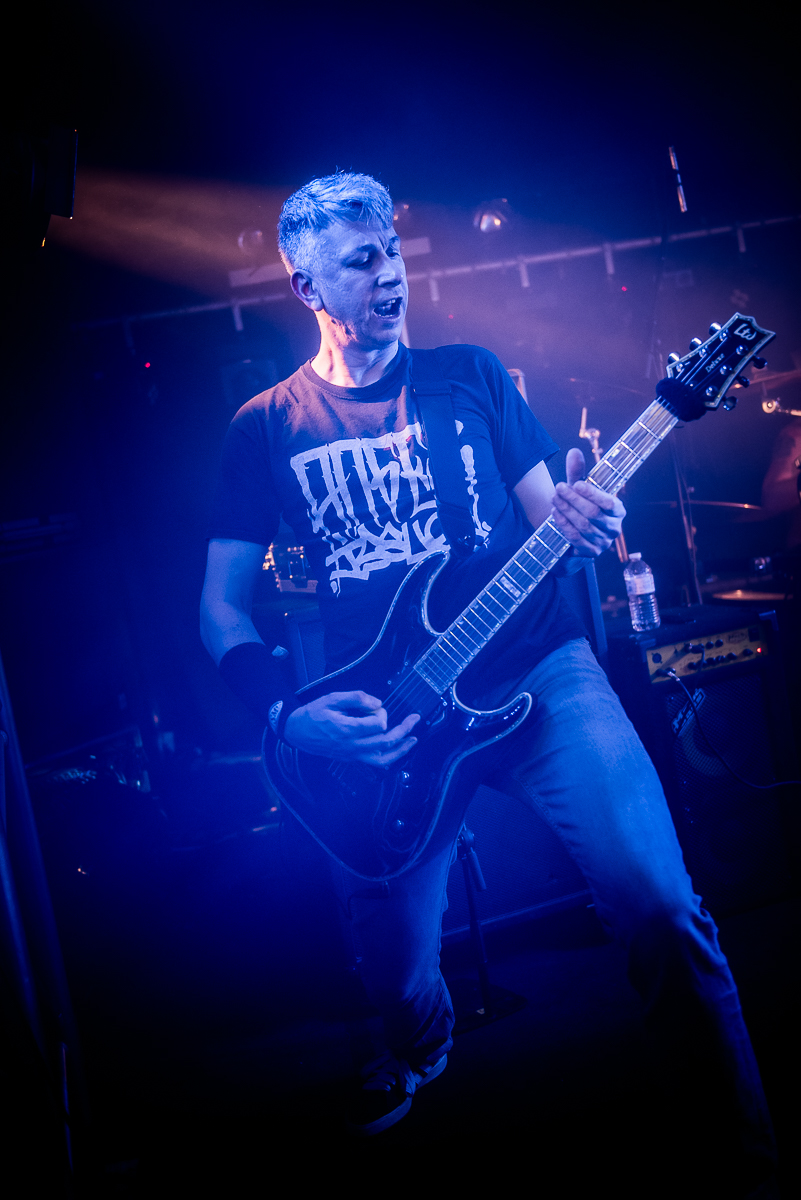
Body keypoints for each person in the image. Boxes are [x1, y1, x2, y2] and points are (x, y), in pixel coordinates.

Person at [200, 173, 776, 1185]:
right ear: (306, 286)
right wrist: (288, 718)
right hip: (391, 721)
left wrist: (591, 520)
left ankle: (750, 1160)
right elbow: (219, 609)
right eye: (361, 260)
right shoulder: (265, 425)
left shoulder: (471, 375)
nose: (389, 273)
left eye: (392, 251)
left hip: (539, 673)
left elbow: (556, 522)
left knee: (660, 907)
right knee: (396, 981)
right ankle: (421, 1045)